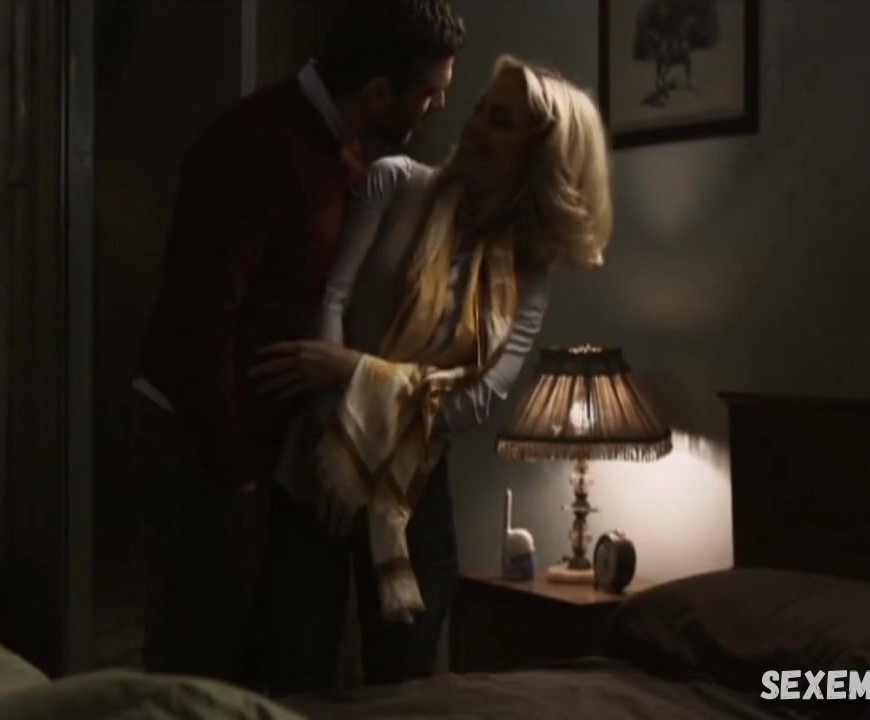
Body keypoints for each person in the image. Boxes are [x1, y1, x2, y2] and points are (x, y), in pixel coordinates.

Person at [130, 0, 467, 692]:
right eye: (431, 93)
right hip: (206, 442)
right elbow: (200, 320)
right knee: (197, 669)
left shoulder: (347, 153)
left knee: (263, 665)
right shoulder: (254, 146)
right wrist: (235, 470)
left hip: (266, 448)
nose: (438, 107)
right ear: (380, 91)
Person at [251, 54, 614, 686]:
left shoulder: (527, 272)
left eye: (500, 121)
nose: (474, 124)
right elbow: (333, 301)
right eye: (480, 108)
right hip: (323, 458)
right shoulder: (395, 182)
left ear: (538, 156)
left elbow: (477, 402)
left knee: (407, 685)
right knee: (294, 672)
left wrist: (348, 369)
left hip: (414, 484)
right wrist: (337, 440)